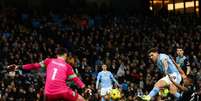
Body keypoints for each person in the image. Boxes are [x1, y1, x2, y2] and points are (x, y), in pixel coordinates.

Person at [7, 48, 91, 101]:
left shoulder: (49, 60)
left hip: (48, 94)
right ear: (65, 55)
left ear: (57, 55)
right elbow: (76, 79)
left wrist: (18, 67)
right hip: (63, 91)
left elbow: (34, 65)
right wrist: (85, 88)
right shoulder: (67, 66)